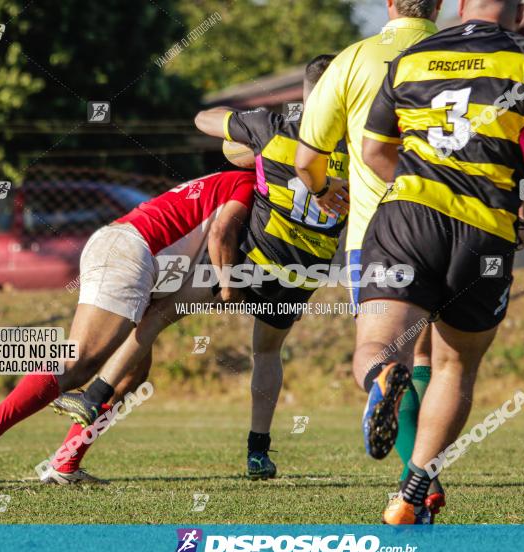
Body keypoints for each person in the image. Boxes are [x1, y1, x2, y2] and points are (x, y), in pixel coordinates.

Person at [50, 55, 349, 482]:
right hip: (305, 273)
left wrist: (241, 126)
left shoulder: (274, 129)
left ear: (305, 93)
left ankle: (96, 394)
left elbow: (204, 119)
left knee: (158, 315)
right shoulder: (357, 144)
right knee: (266, 352)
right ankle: (257, 452)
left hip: (254, 259)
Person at [358, 0, 524, 524]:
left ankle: (384, 375)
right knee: (456, 367)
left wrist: (416, 189)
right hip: (485, 230)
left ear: (459, 7)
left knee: (380, 345)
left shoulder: (411, 57)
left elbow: (373, 150)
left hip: (408, 216)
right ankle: (411, 496)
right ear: (520, 12)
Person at [0, 171, 255, 487]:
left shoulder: (235, 178)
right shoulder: (249, 182)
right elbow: (220, 234)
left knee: (129, 376)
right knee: (79, 362)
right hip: (131, 253)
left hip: (133, 254)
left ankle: (65, 463)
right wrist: (232, 289)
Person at [293, 0, 444, 521]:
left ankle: (385, 393)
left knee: (378, 352)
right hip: (451, 226)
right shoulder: (458, 56)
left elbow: (306, 159)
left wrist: (323, 188)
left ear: (388, 5)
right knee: (428, 359)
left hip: (377, 232)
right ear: (440, 5)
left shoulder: (353, 59)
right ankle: (417, 486)